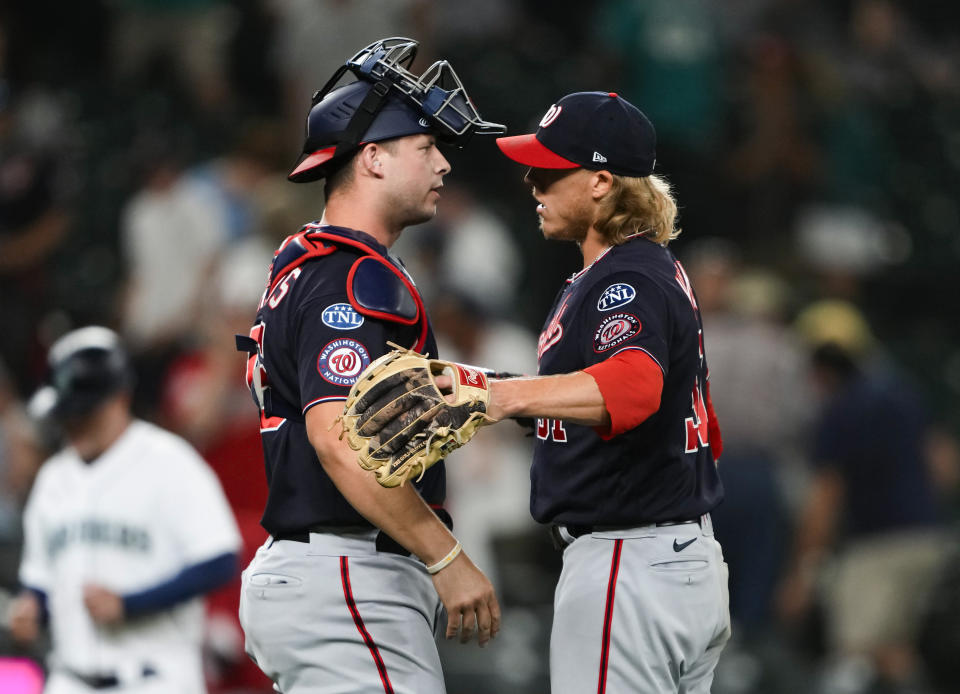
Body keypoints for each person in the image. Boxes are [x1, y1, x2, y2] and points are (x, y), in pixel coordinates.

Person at [235, 37, 504, 694]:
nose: (443, 164)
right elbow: (340, 442)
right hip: (348, 570)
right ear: (374, 158)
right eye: (426, 148)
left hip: (330, 570)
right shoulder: (348, 277)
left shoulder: (310, 265)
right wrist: (445, 555)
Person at [466, 91, 732, 692]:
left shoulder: (624, 277)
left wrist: (501, 398)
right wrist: (499, 388)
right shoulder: (648, 269)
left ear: (600, 181)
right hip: (679, 557)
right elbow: (700, 424)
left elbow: (633, 391)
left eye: (550, 171)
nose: (533, 183)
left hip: (627, 562)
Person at [7, 326, 242, 693]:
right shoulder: (53, 478)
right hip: (70, 678)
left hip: (155, 678)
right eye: (67, 413)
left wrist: (130, 604)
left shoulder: (171, 461)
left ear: (120, 396)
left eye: (84, 411)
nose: (74, 422)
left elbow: (219, 559)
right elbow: (40, 576)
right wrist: (33, 607)